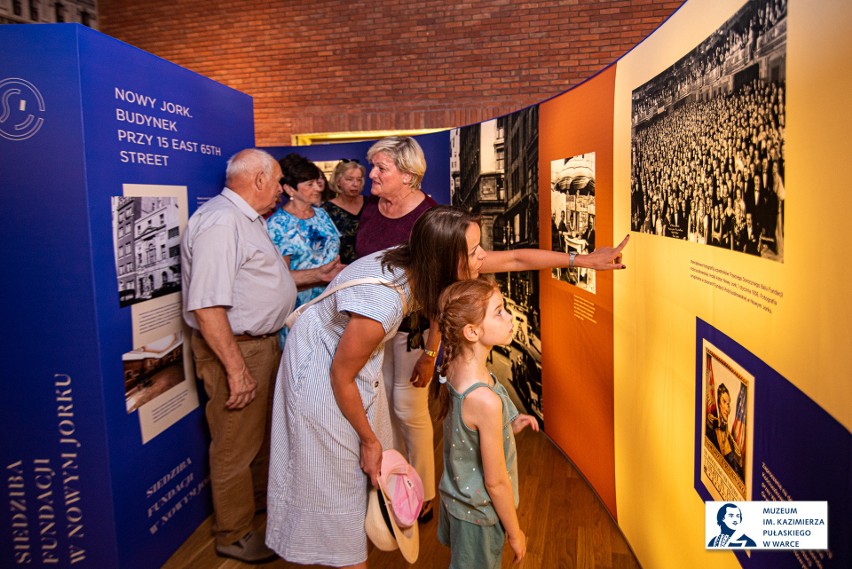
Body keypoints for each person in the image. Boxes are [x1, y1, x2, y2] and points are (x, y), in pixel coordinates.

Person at [265, 205, 629, 568]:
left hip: (352, 361)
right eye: (474, 252)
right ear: (446, 259)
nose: (483, 257)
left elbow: (516, 258)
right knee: (337, 473)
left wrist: (584, 259)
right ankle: (341, 553)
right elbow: (340, 375)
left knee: (365, 467)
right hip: (319, 365)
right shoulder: (386, 300)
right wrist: (369, 440)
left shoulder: (431, 263)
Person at [181, 148, 296, 563]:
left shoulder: (245, 219)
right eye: (280, 180)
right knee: (234, 445)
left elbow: (255, 280)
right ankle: (234, 532)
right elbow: (207, 306)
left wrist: (314, 276)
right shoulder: (221, 221)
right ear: (260, 179)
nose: (283, 190)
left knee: (259, 438)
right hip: (237, 349)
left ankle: (259, 513)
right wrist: (236, 370)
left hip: (259, 344)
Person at [354, 136, 440, 522]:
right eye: (373, 166)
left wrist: (431, 352)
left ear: (407, 175)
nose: (370, 174)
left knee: (408, 409)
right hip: (369, 328)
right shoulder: (371, 209)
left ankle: (423, 494)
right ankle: (393, 484)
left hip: (411, 331)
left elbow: (442, 290)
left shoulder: (429, 218)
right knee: (381, 410)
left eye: (381, 168)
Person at [432, 278, 539, 568]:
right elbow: (496, 482)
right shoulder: (484, 401)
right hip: (479, 518)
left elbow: (468, 431)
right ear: (472, 331)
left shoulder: (455, 364)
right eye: (499, 311)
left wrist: (508, 423)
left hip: (456, 501)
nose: (509, 317)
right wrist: (515, 533)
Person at [267, 153, 343, 347]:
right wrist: (319, 275)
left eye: (316, 182)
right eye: (308, 184)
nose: (317, 188)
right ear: (289, 189)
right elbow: (279, 278)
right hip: (300, 309)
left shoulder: (321, 213)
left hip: (334, 302)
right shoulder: (277, 225)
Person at [322, 159, 366, 264]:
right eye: (349, 179)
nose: (355, 184)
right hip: (340, 269)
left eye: (359, 180)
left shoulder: (371, 204)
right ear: (338, 181)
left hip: (370, 266)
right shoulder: (326, 210)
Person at [706, 384, 744, 479]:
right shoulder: (711, 429)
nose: (727, 408)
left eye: (729, 404)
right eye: (724, 402)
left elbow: (738, 476)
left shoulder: (731, 440)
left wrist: (739, 460)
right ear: (718, 403)